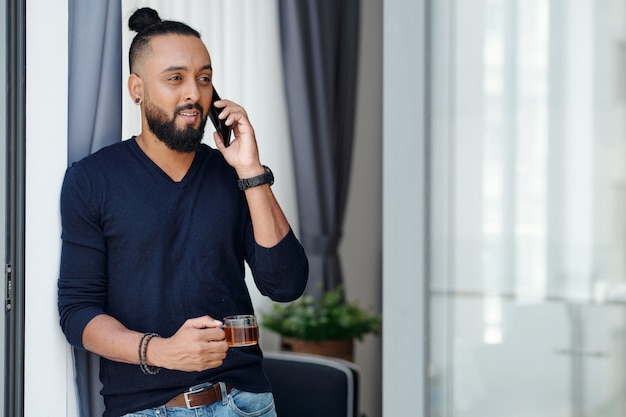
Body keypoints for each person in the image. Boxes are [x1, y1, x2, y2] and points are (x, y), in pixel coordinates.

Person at [58, 7, 308, 417]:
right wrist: (163, 352)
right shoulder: (92, 180)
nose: (194, 93)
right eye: (175, 78)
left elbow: (286, 284)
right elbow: (77, 311)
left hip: (247, 404)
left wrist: (250, 170)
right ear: (136, 89)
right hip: (146, 410)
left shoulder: (234, 176)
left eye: (204, 78)